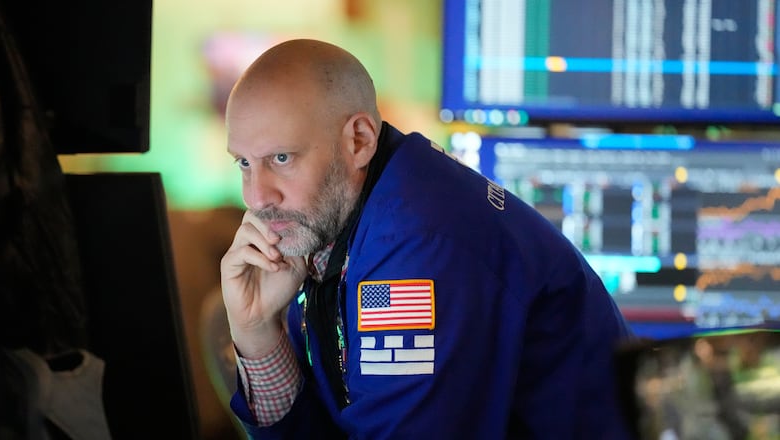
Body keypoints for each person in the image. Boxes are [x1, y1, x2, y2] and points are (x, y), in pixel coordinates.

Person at [220, 38, 635, 439]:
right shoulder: (336, 223)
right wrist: (256, 330)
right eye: (243, 163)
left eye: (281, 158)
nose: (256, 197)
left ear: (359, 140)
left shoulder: (415, 247)